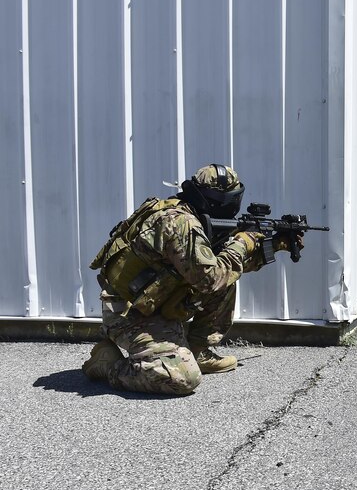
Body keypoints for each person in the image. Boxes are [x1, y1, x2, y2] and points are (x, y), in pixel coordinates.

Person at [81, 164, 301, 396]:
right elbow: (211, 279)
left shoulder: (191, 214)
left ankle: (197, 351)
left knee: (226, 279)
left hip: (153, 302)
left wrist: (274, 245)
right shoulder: (181, 223)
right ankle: (108, 365)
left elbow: (218, 269)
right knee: (183, 379)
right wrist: (242, 243)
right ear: (217, 200)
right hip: (129, 314)